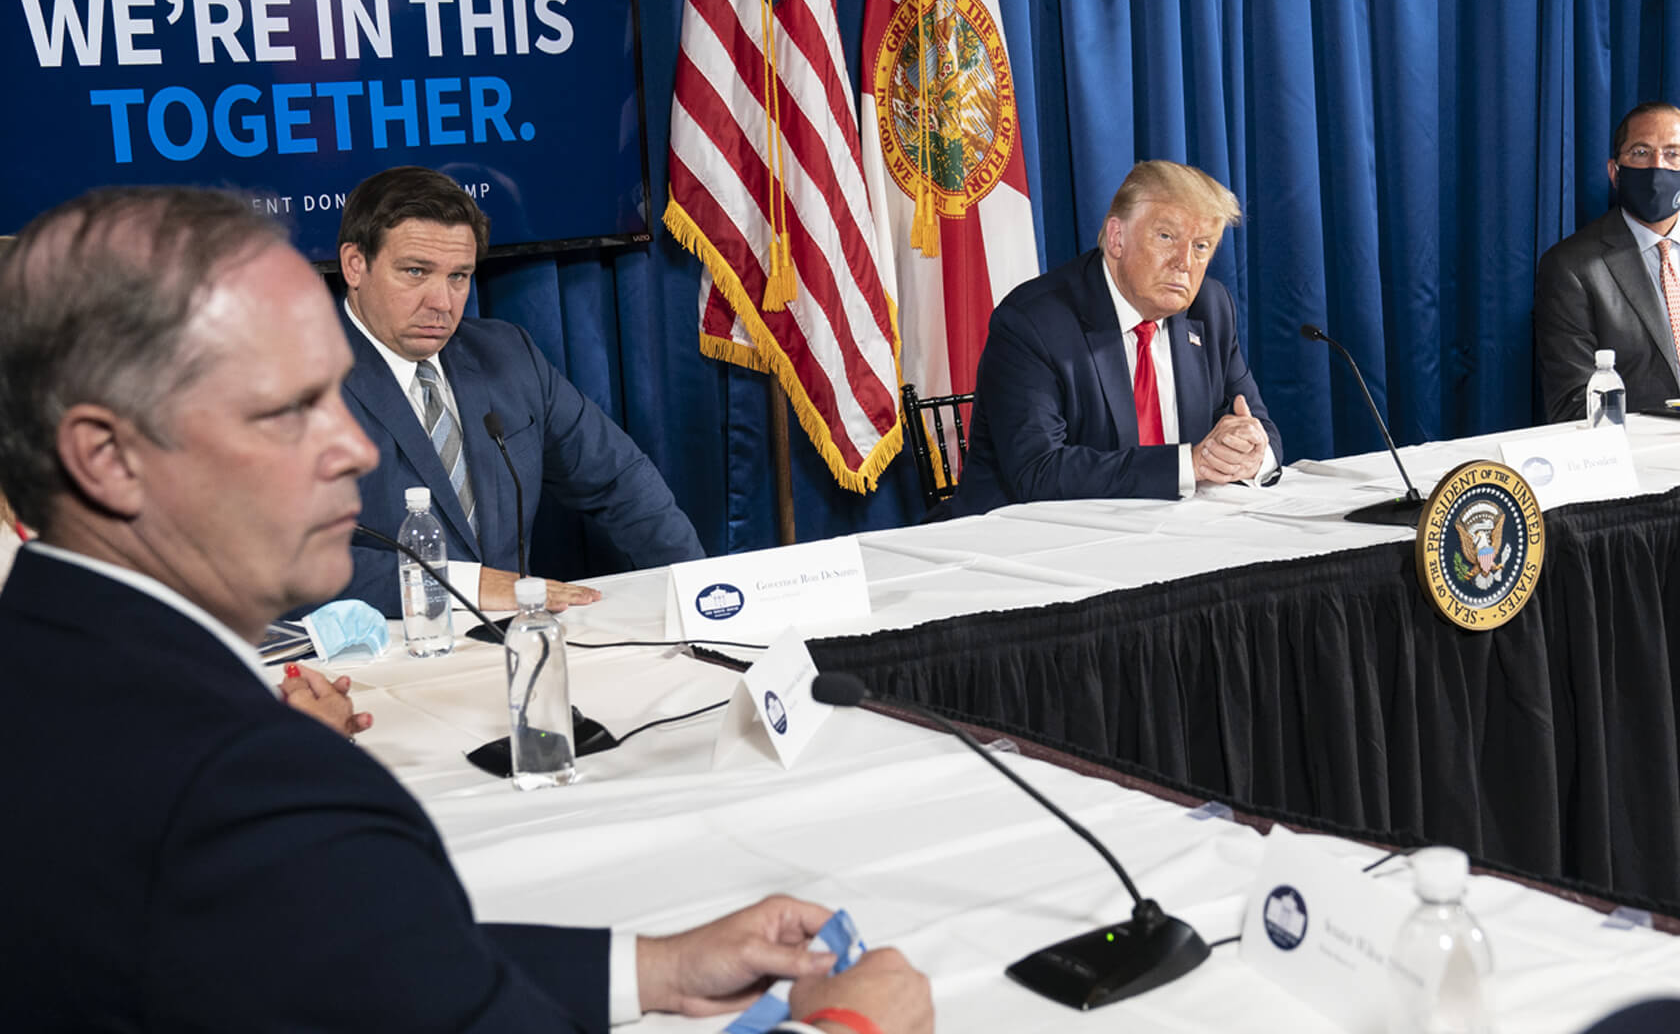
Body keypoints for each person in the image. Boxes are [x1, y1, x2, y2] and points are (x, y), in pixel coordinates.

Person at [0, 186, 932, 1033]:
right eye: (288, 410)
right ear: (106, 458)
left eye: (335, 394)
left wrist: (653, 968)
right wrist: (852, 1030)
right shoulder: (246, 781)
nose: (356, 452)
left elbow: (368, 968)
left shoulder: (60, 661)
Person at [334, 166, 704, 616]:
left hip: (519, 642)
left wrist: (700, 595)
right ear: (356, 264)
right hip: (382, 658)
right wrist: (469, 585)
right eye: (416, 271)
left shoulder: (507, 354)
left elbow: (620, 480)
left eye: (458, 276)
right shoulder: (288, 386)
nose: (443, 302)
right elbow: (278, 566)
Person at [947, 160, 1281, 517]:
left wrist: (1249, 451)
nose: (1184, 262)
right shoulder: (1033, 322)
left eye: (1201, 246)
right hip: (1027, 541)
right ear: (1117, 238)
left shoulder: (1210, 309)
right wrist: (1190, 465)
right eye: (1166, 237)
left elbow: (1261, 427)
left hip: (1168, 532)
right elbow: (1036, 472)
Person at [1536, 101, 1680, 422]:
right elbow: (1574, 404)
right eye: (1641, 153)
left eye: (1673, 154)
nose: (1658, 167)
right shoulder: (1570, 267)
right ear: (1615, 172)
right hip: (1639, 460)